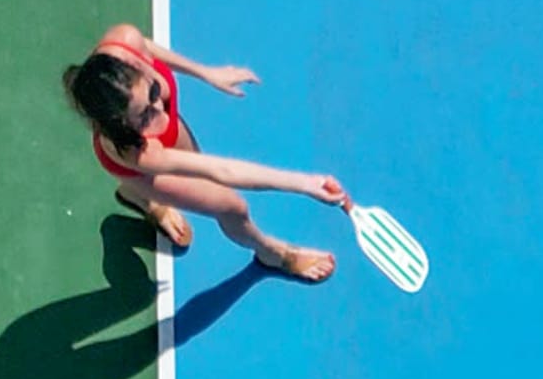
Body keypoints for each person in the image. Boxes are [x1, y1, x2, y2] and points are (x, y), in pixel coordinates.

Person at [63, 25, 345, 283]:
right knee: (232, 206)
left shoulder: (125, 41)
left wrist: (207, 73)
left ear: (133, 64)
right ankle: (272, 253)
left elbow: (148, 46)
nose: (159, 109)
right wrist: (305, 184)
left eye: (153, 92)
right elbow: (220, 170)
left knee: (197, 164)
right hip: (138, 160)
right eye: (144, 116)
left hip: (145, 134)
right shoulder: (141, 153)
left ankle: (138, 196)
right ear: (120, 124)